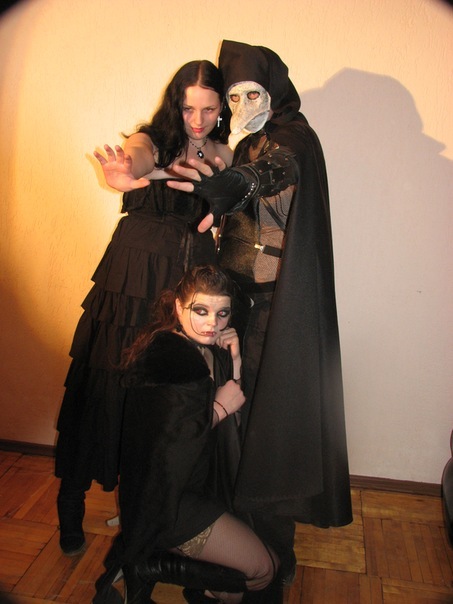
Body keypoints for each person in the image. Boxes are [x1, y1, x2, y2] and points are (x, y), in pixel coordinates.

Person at [168, 39, 353, 584]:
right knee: (238, 425)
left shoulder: (293, 137)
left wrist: (238, 182)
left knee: (272, 429)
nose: (243, 104)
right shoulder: (247, 142)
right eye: (234, 96)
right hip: (239, 311)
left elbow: (276, 169)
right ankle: (243, 547)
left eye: (253, 93)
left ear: (274, 92)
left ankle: (273, 560)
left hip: (277, 313)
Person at [54, 60, 233, 557]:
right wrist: (126, 171)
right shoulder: (152, 139)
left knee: (164, 399)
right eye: (189, 108)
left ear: (221, 109)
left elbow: (229, 196)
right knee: (104, 384)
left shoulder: (225, 153)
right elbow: (134, 158)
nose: (197, 120)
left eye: (209, 109)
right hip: (133, 279)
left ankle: (146, 508)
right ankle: (70, 501)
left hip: (187, 286)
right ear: (176, 104)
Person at [93, 265, 280, 604]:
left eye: (222, 313)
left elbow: (233, 409)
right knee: (263, 570)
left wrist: (235, 357)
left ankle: (194, 586)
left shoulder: (204, 349)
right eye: (201, 310)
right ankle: (149, 567)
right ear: (178, 307)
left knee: (267, 566)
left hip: (199, 485)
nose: (213, 323)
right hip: (168, 502)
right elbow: (167, 449)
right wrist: (218, 409)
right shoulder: (167, 361)